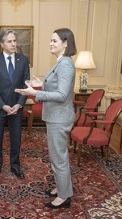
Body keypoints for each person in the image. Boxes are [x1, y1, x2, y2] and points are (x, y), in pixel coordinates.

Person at [15, 28, 77, 209]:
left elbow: (62, 94)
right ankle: (61, 187)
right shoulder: (60, 62)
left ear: (65, 43)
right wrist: (41, 84)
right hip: (56, 117)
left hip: (59, 118)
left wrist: (36, 93)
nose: (50, 43)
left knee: (59, 158)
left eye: (54, 41)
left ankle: (64, 196)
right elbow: (58, 85)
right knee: (57, 156)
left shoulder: (65, 63)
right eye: (50, 40)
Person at [0, 29, 30, 181]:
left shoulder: (23, 60)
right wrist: (3, 105)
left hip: (16, 108)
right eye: (9, 41)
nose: (13, 44)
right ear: (2, 44)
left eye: (14, 41)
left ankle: (15, 165)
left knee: (16, 139)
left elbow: (26, 86)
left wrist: (19, 105)